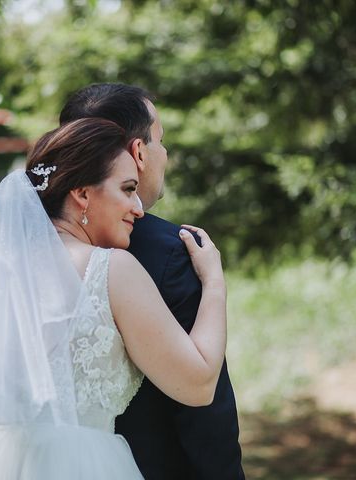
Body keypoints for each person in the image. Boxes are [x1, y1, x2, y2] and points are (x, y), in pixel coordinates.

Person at [0, 117, 228, 479]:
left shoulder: (5, 270)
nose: (139, 208)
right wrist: (214, 282)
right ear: (82, 194)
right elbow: (199, 383)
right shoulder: (110, 269)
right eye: (127, 189)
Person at [60, 83, 245, 479]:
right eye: (160, 140)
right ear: (139, 153)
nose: (165, 154)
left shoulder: (18, 252)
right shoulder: (171, 252)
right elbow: (203, 413)